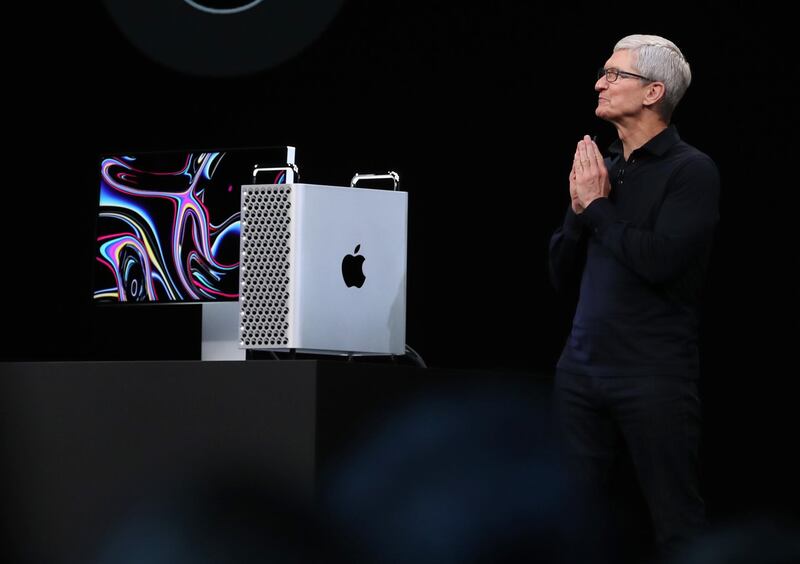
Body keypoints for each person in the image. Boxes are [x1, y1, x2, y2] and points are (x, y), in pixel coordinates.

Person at [548, 34, 720, 560]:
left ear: (653, 92)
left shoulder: (691, 171)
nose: (600, 83)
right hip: (579, 370)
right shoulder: (599, 166)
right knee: (565, 517)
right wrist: (580, 215)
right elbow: (559, 273)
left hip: (652, 373)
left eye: (614, 74)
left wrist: (597, 209)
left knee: (675, 520)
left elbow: (659, 261)